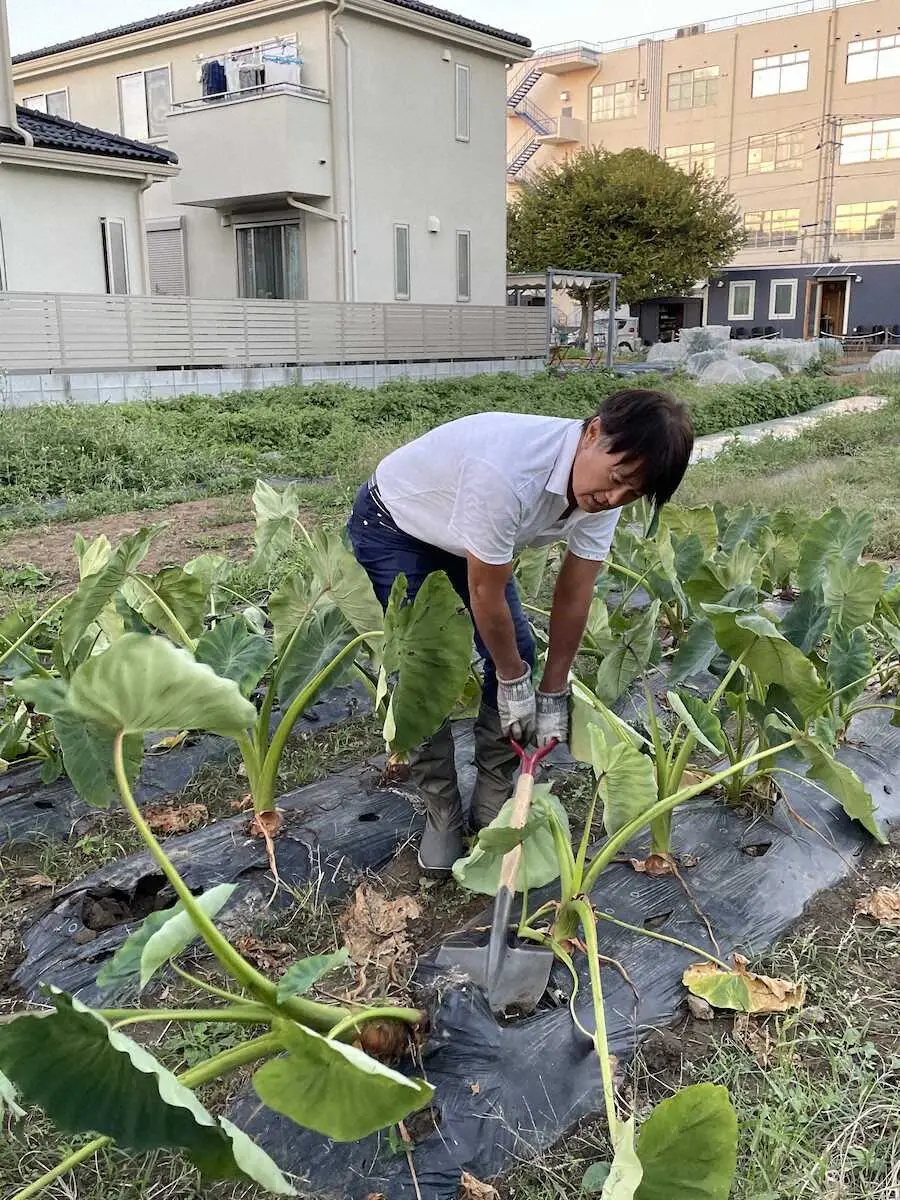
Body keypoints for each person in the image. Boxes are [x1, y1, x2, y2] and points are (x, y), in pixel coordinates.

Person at [347, 388, 694, 871]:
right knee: (424, 665)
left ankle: (493, 790)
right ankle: (442, 811)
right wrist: (512, 683)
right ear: (593, 432)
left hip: (467, 532)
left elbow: (575, 591)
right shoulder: (508, 473)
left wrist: (553, 689)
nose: (614, 498)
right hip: (397, 525)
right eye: (616, 480)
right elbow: (485, 592)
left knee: (521, 650)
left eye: (632, 493)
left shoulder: (608, 493)